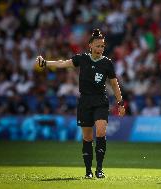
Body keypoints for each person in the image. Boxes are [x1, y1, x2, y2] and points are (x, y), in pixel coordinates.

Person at [36, 29, 125, 179]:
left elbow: (115, 85)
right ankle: (88, 171)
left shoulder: (107, 63)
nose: (100, 49)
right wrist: (45, 63)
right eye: (97, 46)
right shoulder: (82, 59)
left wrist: (120, 103)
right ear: (90, 45)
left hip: (100, 101)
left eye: (102, 47)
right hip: (85, 102)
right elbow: (63, 63)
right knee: (87, 138)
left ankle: (100, 169)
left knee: (101, 132)